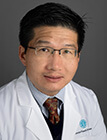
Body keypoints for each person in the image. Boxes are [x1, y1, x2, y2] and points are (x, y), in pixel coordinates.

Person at [0, 2, 106, 140]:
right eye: (44, 49)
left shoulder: (88, 100)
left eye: (67, 51)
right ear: (23, 54)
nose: (55, 65)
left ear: (78, 57)